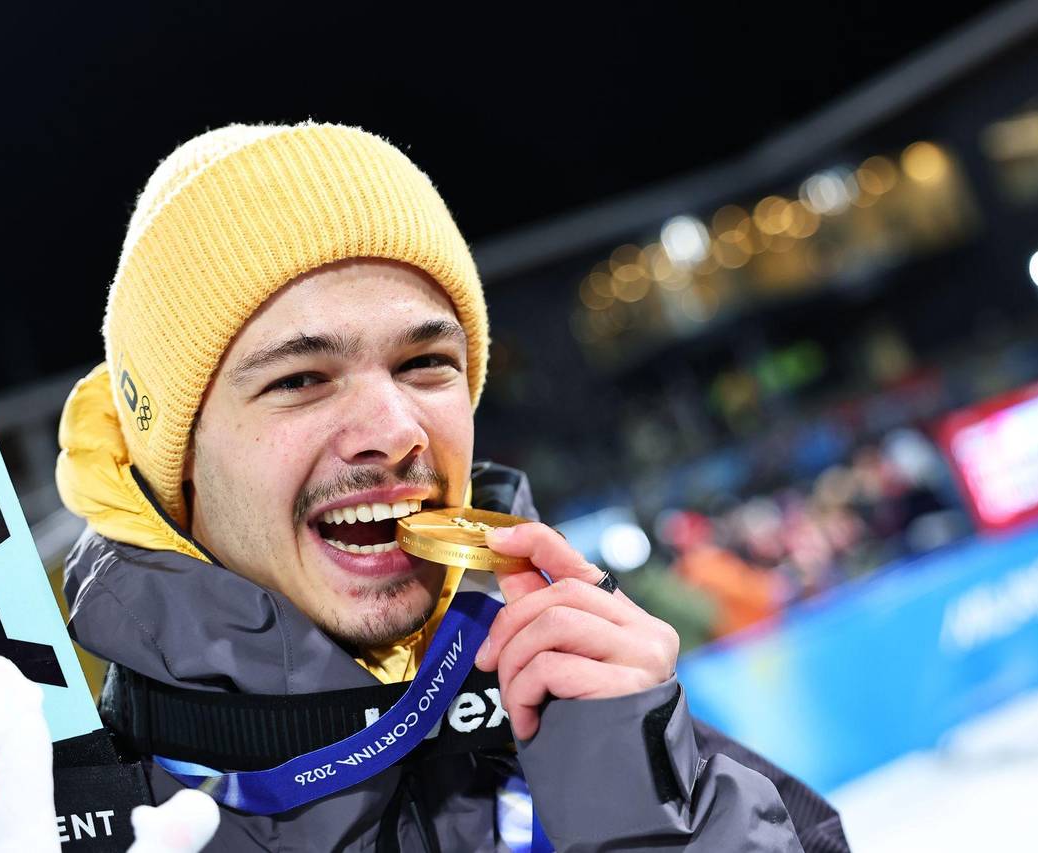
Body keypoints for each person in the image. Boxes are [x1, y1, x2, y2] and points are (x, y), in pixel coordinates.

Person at [56, 122, 849, 851]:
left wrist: (655, 818)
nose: (395, 428)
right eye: (299, 378)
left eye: (424, 363)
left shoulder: (596, 706)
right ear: (179, 455)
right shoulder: (71, 820)